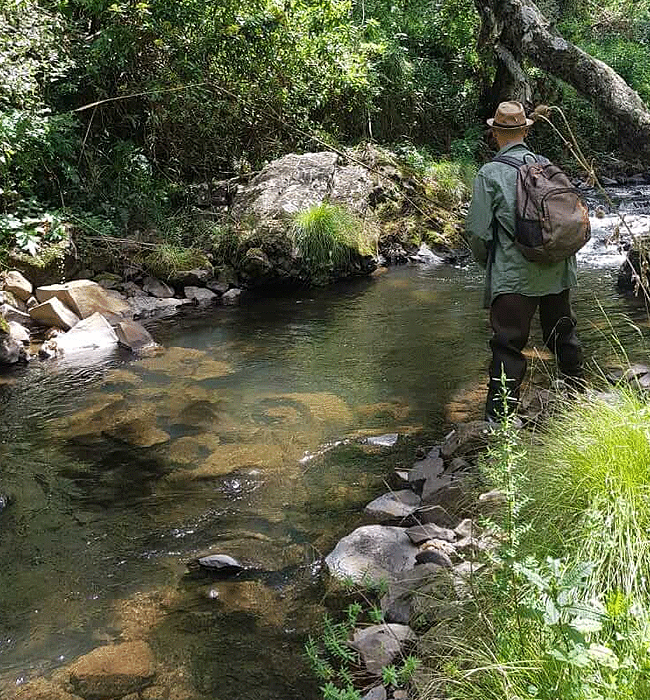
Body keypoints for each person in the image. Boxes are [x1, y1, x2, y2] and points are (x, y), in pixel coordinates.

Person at [466, 100, 584, 422]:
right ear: (526, 130)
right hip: (558, 269)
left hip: (514, 276)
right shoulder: (547, 165)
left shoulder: (489, 173)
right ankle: (578, 394)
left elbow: (478, 233)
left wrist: (486, 263)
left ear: (495, 133)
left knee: (507, 345)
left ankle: (501, 418)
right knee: (562, 334)